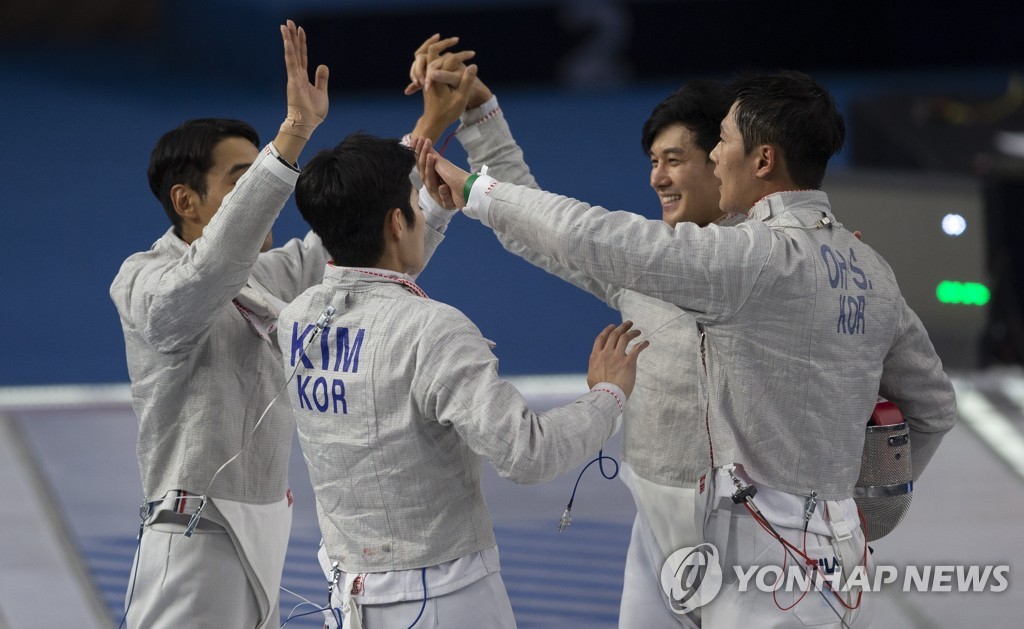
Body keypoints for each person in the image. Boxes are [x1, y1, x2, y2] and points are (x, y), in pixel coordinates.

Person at [419, 70, 958, 628]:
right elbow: (933, 407)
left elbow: (590, 233)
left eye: (718, 144)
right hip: (676, 541)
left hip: (772, 557)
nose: (662, 176)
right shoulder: (864, 267)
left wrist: (472, 190)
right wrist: (855, 512)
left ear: (762, 159)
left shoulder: (745, 259)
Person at [403, 34, 740, 628]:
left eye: (675, 160)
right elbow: (528, 218)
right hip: (657, 534)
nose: (658, 178)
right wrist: (479, 111)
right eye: (653, 162)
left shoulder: (771, 262)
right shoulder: (642, 261)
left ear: (723, 160)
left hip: (751, 539)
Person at [279, 132, 649, 628]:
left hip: (349, 604)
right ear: (395, 223)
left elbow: (379, 280)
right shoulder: (433, 329)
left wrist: (432, 204)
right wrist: (608, 396)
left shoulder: (298, 317)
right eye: (413, 203)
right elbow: (528, 454)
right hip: (445, 603)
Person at [110, 21, 336, 628]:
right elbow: (199, 285)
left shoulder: (273, 272)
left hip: (267, 530)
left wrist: (429, 132)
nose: (269, 199)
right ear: (186, 201)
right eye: (245, 182)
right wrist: (291, 138)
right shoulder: (142, 280)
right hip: (191, 538)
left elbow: (363, 228)